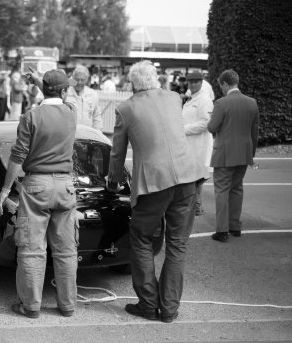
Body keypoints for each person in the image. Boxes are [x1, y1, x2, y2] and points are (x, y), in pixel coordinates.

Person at [106, 61, 206, 323]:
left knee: (140, 238)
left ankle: (148, 304)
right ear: (156, 79)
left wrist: (113, 183)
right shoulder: (174, 98)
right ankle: (169, 309)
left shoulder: (125, 108)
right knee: (178, 245)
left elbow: (117, 153)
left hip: (153, 182)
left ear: (132, 84)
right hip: (187, 177)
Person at [0, 70, 77, 319]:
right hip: (65, 186)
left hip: (36, 185)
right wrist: (41, 82)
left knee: (31, 249)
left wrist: (5, 191)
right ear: (62, 91)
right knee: (66, 249)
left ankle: (30, 306)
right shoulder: (72, 113)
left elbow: (17, 157)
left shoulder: (31, 116)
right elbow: (61, 96)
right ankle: (67, 305)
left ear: (46, 90)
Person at [207, 69, 259, 242]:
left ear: (226, 84)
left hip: (224, 154)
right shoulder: (252, 103)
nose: (221, 88)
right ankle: (235, 226)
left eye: (221, 85)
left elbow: (212, 127)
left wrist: (211, 119)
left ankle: (222, 231)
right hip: (244, 153)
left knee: (221, 191)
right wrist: (250, 154)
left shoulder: (221, 103)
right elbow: (254, 132)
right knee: (237, 189)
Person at [182, 71, 214, 216]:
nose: (193, 84)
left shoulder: (204, 99)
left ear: (202, 83)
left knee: (196, 178)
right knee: (193, 178)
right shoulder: (191, 98)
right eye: (191, 82)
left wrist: (183, 130)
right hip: (190, 145)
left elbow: (206, 124)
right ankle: (195, 206)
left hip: (199, 145)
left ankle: (195, 207)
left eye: (196, 82)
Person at [66, 65, 102, 131]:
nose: (79, 82)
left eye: (82, 80)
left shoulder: (93, 94)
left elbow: (97, 117)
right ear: (72, 79)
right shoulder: (65, 94)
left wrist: (98, 134)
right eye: (77, 79)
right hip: (70, 136)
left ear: (87, 80)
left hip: (88, 135)